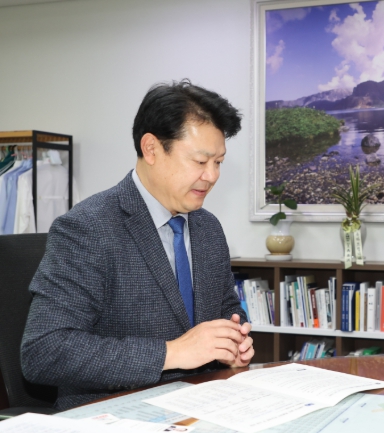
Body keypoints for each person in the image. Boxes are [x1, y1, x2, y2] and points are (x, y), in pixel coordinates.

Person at [21, 80, 254, 410]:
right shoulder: (87, 228)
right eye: (201, 161)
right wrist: (172, 353)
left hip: (203, 406)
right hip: (113, 414)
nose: (212, 176)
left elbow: (228, 309)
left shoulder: (208, 227)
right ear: (151, 149)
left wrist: (234, 342)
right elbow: (44, 351)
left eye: (219, 162)